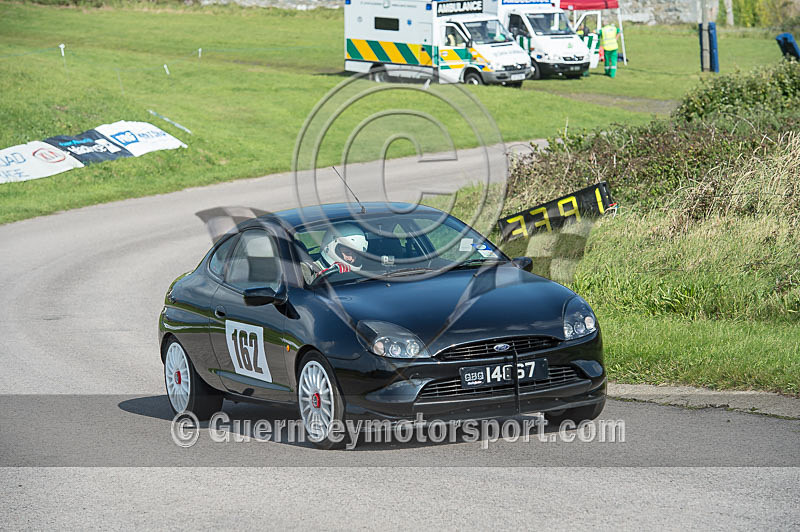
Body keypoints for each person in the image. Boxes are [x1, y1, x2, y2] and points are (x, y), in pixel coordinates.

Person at [304, 223, 369, 282]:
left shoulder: (366, 273)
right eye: (347, 253)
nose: (352, 259)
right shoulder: (308, 269)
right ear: (329, 247)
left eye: (357, 254)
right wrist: (326, 275)